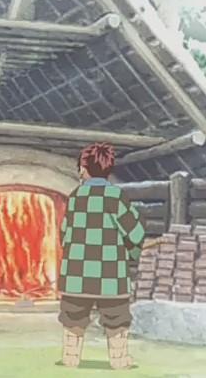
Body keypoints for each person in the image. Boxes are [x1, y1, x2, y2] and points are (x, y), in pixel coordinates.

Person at [58, 142, 145, 370]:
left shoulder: (75, 196)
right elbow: (134, 232)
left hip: (76, 275)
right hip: (110, 276)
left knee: (73, 317)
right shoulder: (116, 197)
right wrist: (132, 254)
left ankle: (70, 358)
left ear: (83, 169)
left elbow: (65, 232)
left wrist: (71, 252)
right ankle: (119, 360)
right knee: (116, 318)